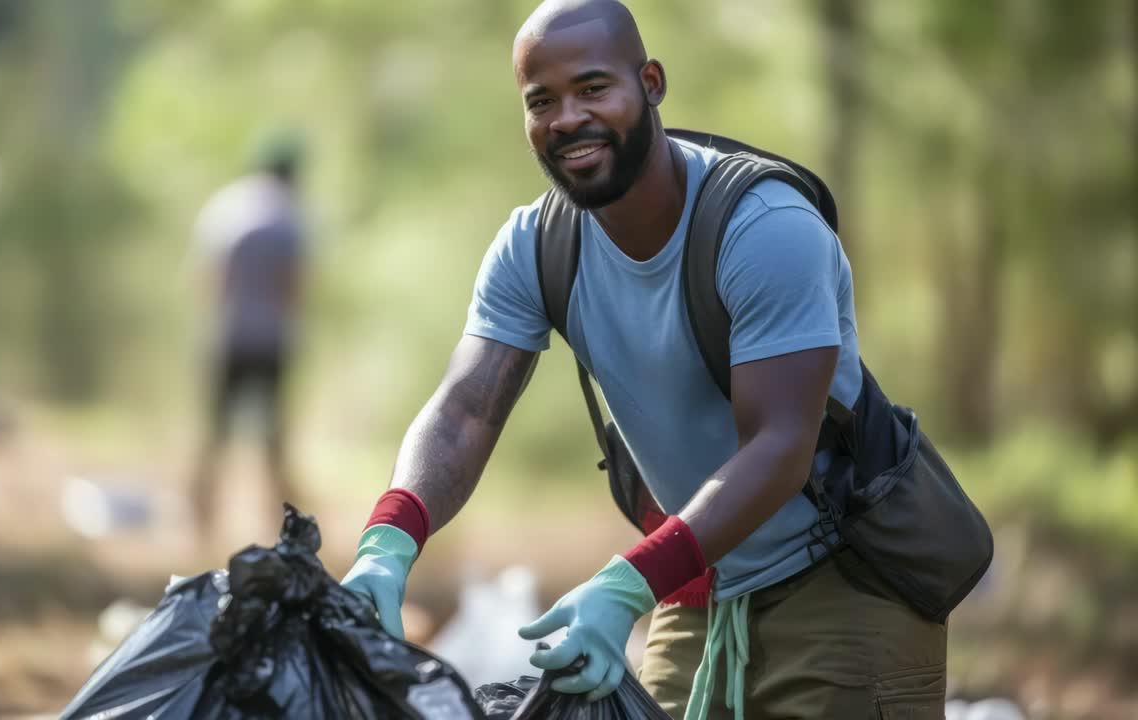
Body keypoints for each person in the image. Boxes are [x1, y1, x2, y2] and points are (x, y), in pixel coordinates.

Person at [341, 2, 946, 718]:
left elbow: (782, 449)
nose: (567, 117)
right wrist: (388, 540)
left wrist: (627, 584)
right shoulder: (534, 248)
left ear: (651, 83)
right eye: (542, 101)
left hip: (841, 588)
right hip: (697, 590)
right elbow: (466, 408)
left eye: (593, 88)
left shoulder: (765, 229)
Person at [190, 131, 305, 539]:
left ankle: (200, 516)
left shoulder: (227, 208)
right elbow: (294, 288)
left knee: (215, 430)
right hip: (271, 340)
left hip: (229, 334)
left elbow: (211, 279)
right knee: (273, 437)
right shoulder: (290, 218)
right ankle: (282, 522)